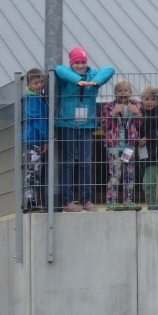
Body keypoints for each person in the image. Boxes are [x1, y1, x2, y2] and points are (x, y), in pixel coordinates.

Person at [54, 46, 115, 212]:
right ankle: (67, 200)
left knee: (85, 163)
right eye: (76, 63)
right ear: (71, 63)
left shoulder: (93, 74)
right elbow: (58, 69)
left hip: (86, 126)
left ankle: (86, 199)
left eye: (82, 62)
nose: (80, 65)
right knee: (67, 163)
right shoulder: (65, 75)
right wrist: (76, 80)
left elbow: (109, 69)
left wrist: (95, 82)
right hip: (67, 124)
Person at [101, 80, 142, 210]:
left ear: (131, 92)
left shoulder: (136, 105)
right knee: (115, 173)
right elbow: (104, 125)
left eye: (126, 91)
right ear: (115, 94)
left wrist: (137, 113)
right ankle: (111, 202)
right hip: (114, 146)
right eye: (120, 91)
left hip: (129, 146)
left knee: (129, 174)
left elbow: (140, 124)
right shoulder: (108, 107)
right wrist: (112, 114)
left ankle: (128, 201)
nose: (123, 93)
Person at [138, 84, 158, 211]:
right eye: (147, 99)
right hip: (143, 154)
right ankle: (153, 207)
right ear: (142, 99)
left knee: (148, 183)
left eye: (153, 99)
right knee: (145, 184)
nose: (150, 102)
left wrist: (148, 137)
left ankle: (153, 210)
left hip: (157, 154)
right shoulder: (140, 113)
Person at [22, 68, 48, 211]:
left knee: (34, 171)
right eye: (35, 83)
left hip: (33, 139)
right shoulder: (33, 99)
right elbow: (38, 119)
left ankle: (32, 200)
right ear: (29, 84)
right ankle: (30, 202)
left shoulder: (36, 98)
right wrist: (46, 139)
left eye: (41, 82)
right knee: (33, 171)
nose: (39, 85)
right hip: (34, 140)